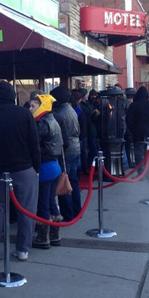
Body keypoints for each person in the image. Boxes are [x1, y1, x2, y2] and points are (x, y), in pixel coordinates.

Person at [0, 81, 40, 262]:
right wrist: (36, 167)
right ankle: (23, 250)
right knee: (27, 210)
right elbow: (34, 144)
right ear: (13, 96)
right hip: (25, 169)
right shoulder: (24, 114)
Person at [28, 94, 64, 249]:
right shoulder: (53, 119)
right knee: (51, 202)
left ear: (42, 106)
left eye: (33, 106)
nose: (30, 109)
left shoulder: (41, 123)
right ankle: (55, 235)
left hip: (44, 167)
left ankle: (43, 238)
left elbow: (33, 144)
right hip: (54, 166)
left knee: (43, 204)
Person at [51, 86, 81, 222]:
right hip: (76, 147)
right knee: (73, 181)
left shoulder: (60, 113)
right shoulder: (71, 110)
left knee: (64, 183)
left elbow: (62, 137)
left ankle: (68, 214)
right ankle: (76, 210)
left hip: (67, 151)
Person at [126, 86, 149, 173]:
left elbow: (128, 120)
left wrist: (133, 129)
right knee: (148, 153)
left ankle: (141, 172)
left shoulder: (133, 105)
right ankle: (148, 171)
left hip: (137, 133)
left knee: (138, 153)